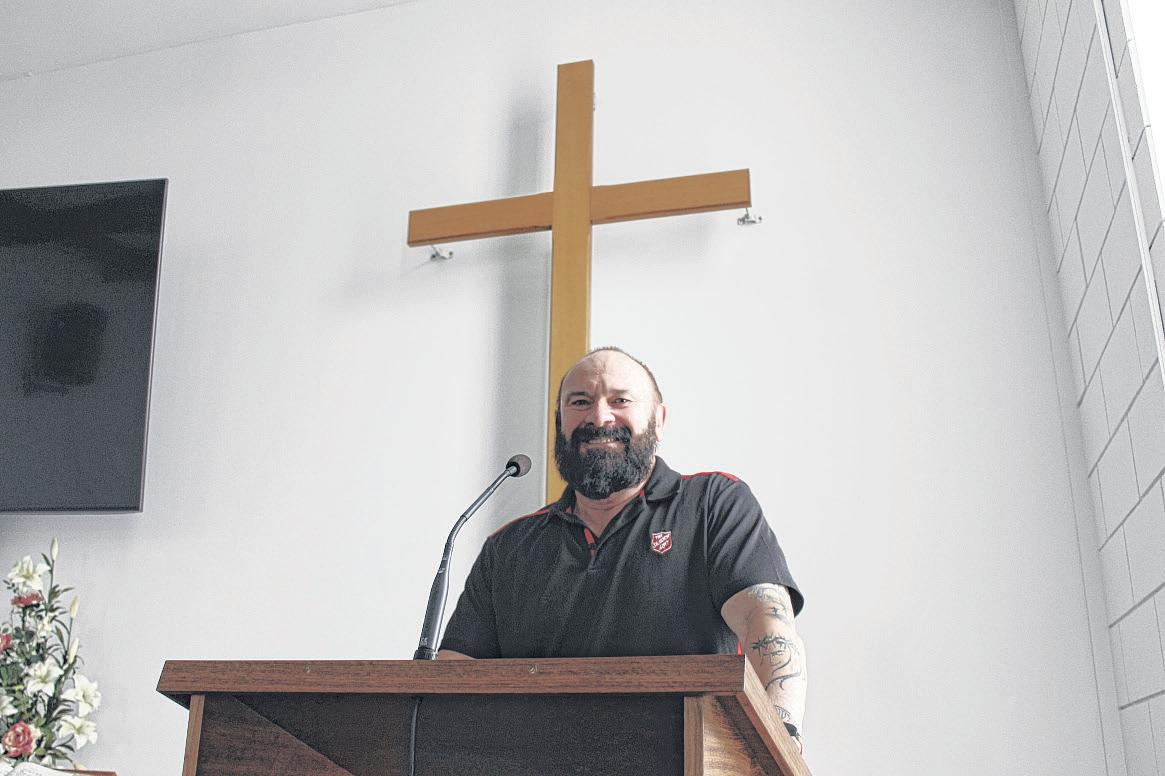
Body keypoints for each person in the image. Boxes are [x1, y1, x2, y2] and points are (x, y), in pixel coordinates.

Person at [438, 347, 807, 749]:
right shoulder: (508, 547)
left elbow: (763, 621)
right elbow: (456, 678)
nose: (599, 417)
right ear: (559, 422)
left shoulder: (712, 504)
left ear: (659, 420)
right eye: (580, 402)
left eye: (620, 400)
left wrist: (782, 739)